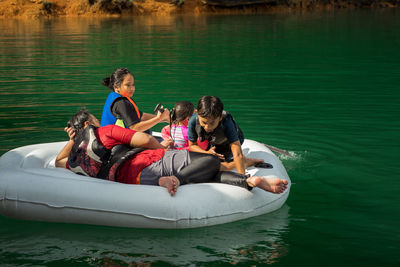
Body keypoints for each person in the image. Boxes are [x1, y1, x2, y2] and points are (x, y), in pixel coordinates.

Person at [56, 108, 288, 196]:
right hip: (150, 163)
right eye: (94, 120)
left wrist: (73, 141)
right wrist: (164, 150)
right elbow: (146, 139)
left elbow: (58, 161)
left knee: (205, 173)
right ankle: (176, 179)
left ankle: (250, 182)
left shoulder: (76, 160)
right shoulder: (105, 131)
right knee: (207, 161)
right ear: (89, 125)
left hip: (131, 179)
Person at [188, 96, 264, 175]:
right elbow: (192, 145)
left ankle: (247, 162)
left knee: (213, 166)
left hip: (229, 142)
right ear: (197, 113)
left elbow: (237, 153)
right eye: (204, 123)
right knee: (204, 164)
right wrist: (207, 152)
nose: (207, 127)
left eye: (212, 123)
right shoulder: (193, 121)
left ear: (221, 117)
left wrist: (242, 178)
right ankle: (242, 161)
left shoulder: (227, 122)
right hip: (214, 141)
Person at [100, 67, 170, 133]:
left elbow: (141, 116)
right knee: (147, 137)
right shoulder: (121, 103)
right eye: (128, 85)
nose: (132, 88)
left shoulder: (118, 97)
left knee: (146, 131)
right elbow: (135, 127)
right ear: (116, 87)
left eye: (133, 85)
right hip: (114, 142)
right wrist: (158, 118)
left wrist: (165, 118)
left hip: (111, 137)